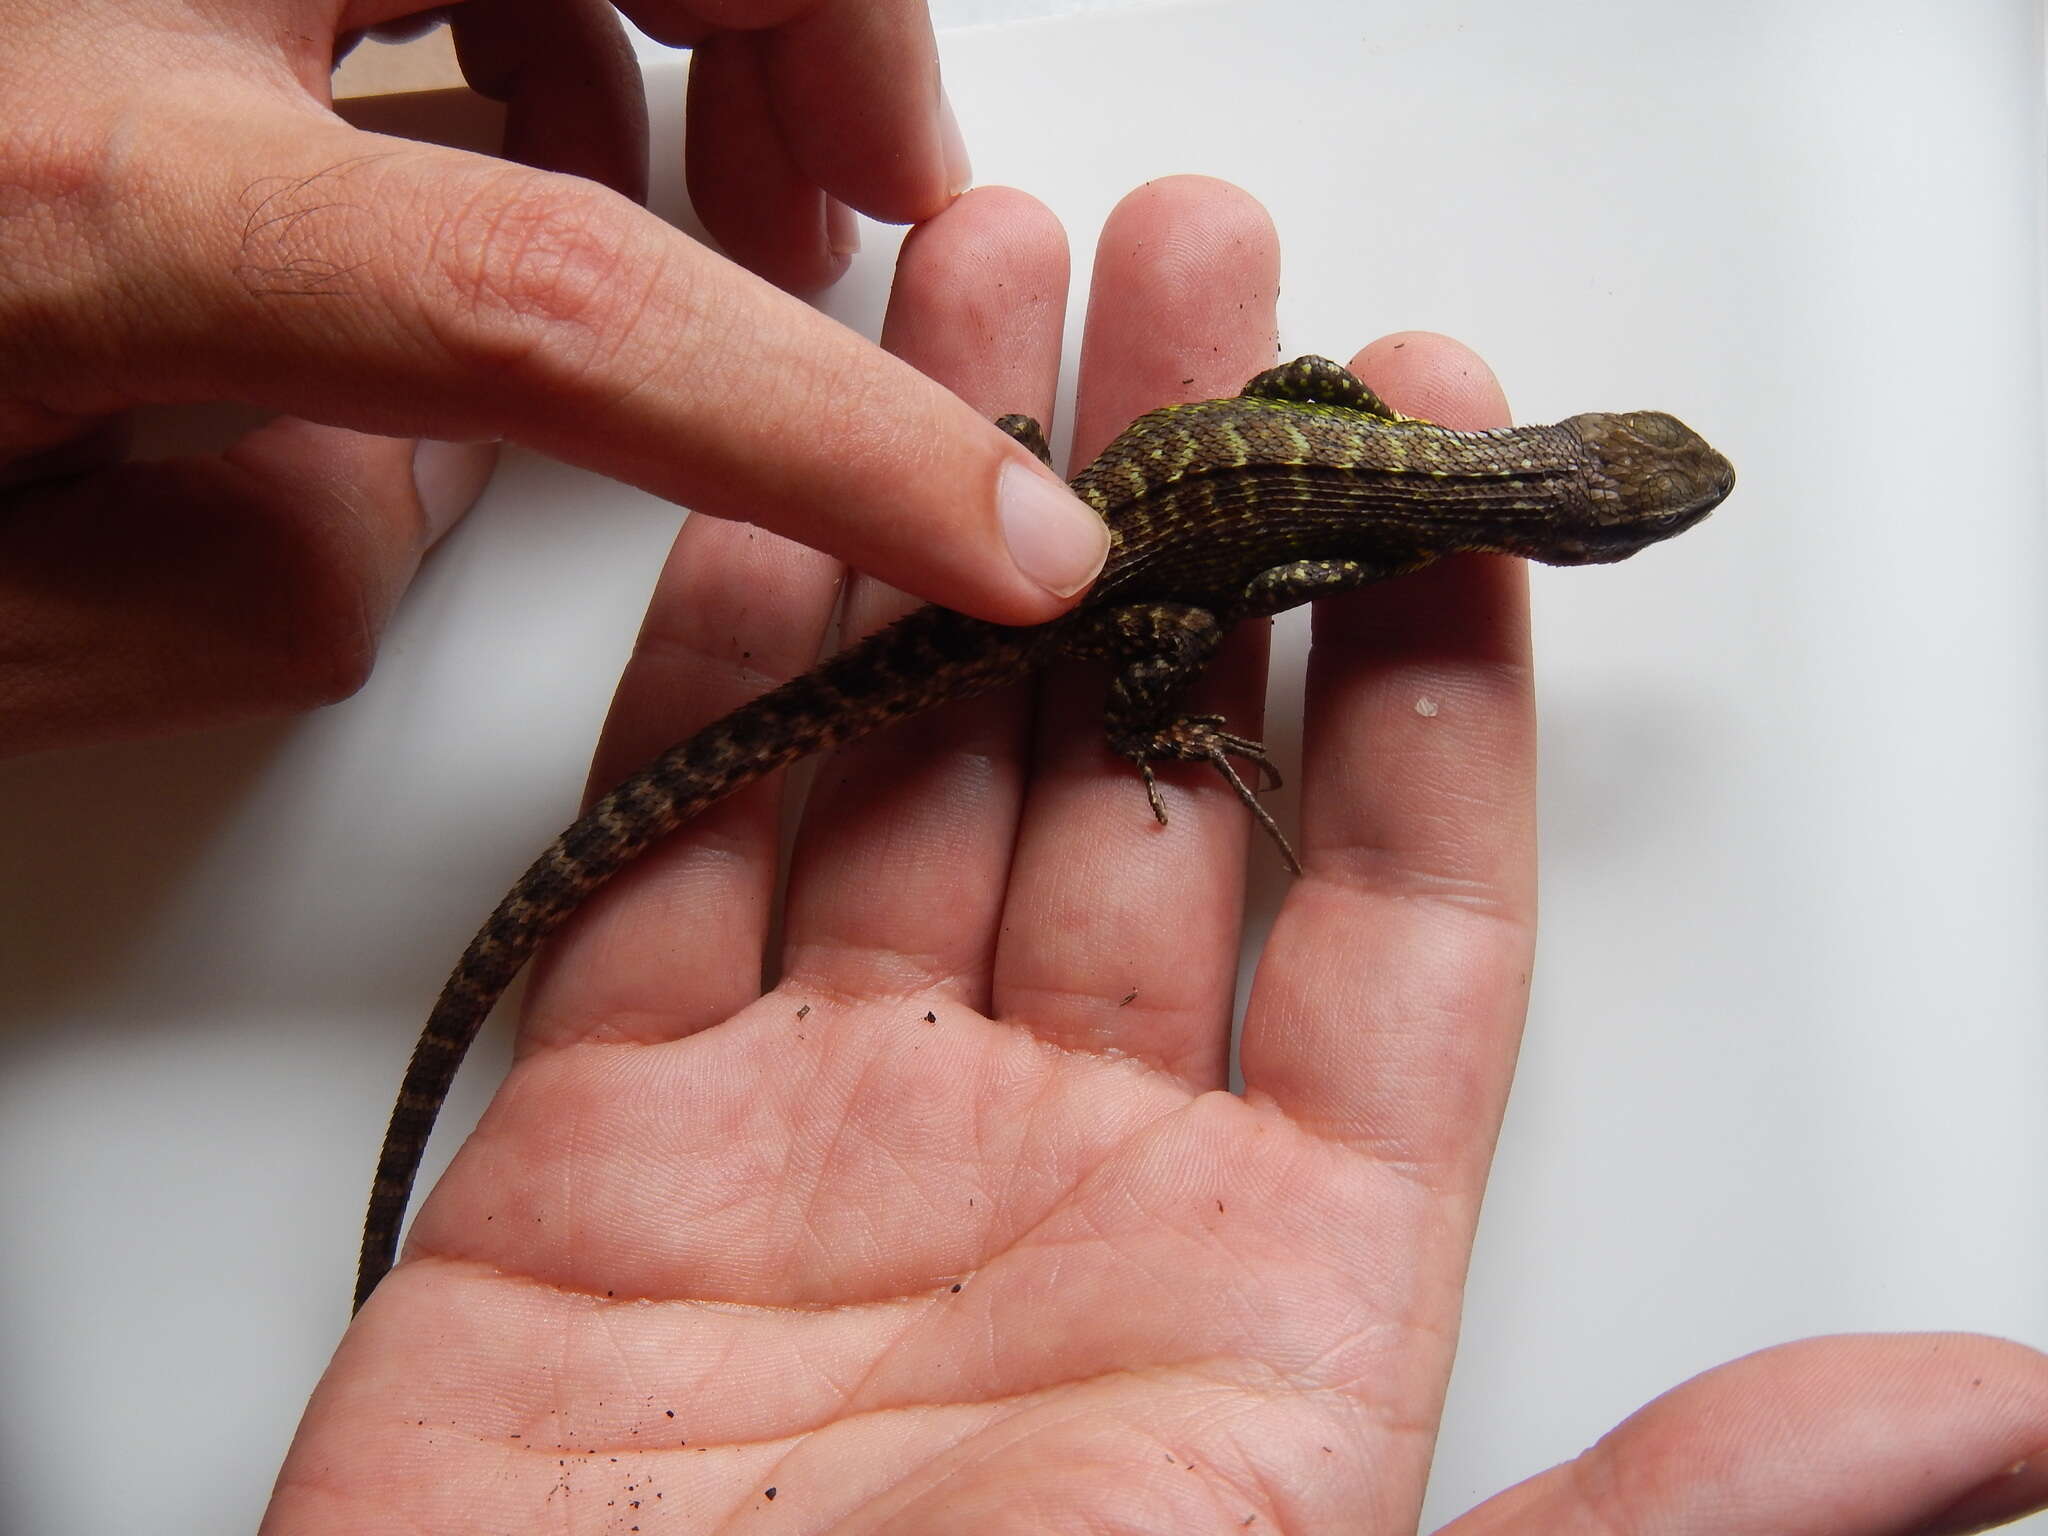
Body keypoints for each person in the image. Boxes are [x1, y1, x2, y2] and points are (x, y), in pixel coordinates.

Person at [5, 8, 2044, 1533]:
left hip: (1103, 506)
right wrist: (1150, 705)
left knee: (969, 645)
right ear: (1567, 523)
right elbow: (1254, 537)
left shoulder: (1395, 508)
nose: (1630, 512)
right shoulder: (1399, 538)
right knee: (1081, 641)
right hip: (1077, 583)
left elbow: (1310, 395)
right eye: (1634, 515)